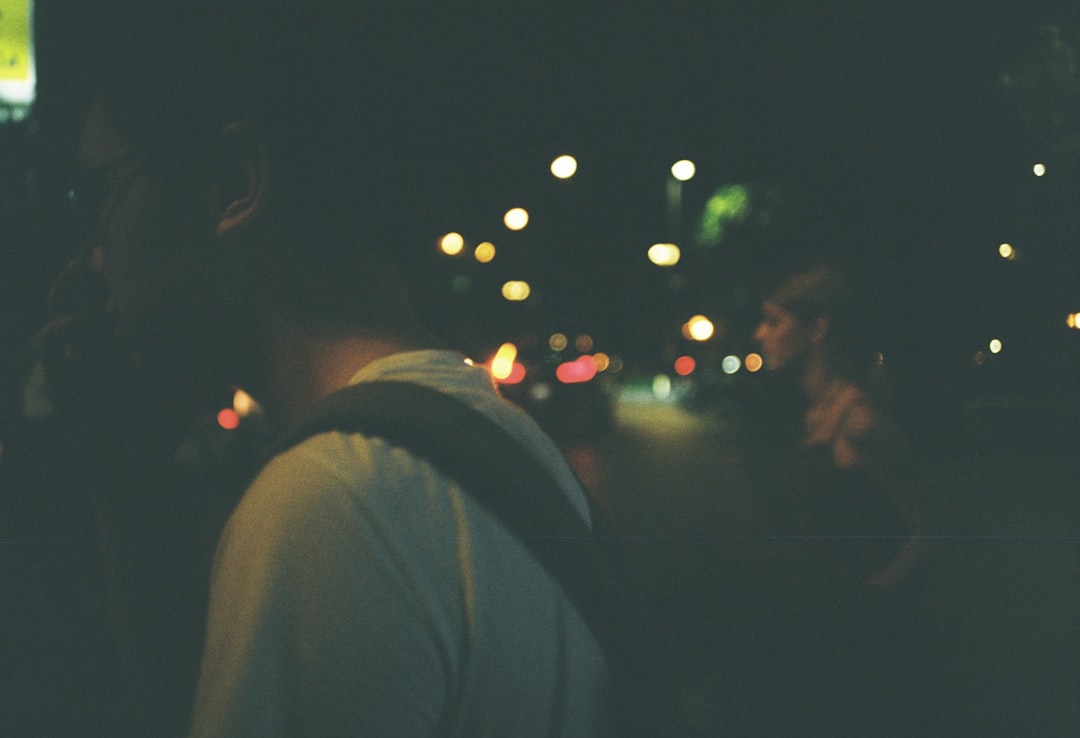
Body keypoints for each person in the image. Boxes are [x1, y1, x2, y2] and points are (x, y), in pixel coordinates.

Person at [42, 3, 608, 736]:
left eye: (99, 194)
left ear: (230, 186)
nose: (91, 250)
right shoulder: (502, 444)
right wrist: (127, 486)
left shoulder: (327, 501)